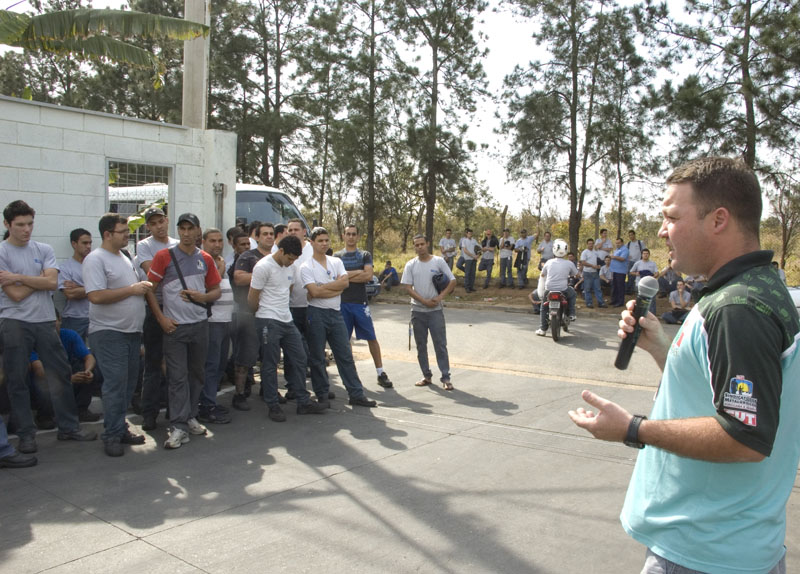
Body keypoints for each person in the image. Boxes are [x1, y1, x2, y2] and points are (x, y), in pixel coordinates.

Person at [568, 156, 800, 574]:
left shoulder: (736, 308)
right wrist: (664, 348)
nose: (662, 230)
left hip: (702, 552)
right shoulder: (758, 288)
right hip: (736, 546)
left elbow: (744, 438)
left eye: (672, 216)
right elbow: (727, 394)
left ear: (719, 220)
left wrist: (632, 429)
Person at [0, 200, 97, 454]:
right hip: (14, 321)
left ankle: (69, 427)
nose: (26, 229)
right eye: (20, 225)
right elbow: (15, 296)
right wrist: (39, 279)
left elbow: (52, 283)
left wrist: (19, 277)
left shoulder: (43, 249)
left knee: (60, 373)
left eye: (30, 224)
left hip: (44, 321)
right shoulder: (1, 252)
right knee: (17, 379)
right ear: (7, 224)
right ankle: (26, 434)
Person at [146, 213, 221, 450]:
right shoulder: (163, 256)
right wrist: (161, 319)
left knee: (197, 374)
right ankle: (178, 425)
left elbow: (216, 290)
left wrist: (203, 297)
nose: (186, 233)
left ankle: (189, 415)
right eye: (182, 228)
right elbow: (149, 290)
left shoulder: (206, 258)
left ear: (198, 231)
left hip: (199, 325)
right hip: (175, 327)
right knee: (177, 377)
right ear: (178, 230)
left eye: (191, 228)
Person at [83, 213, 150, 457]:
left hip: (131, 332)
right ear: (108, 234)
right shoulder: (96, 259)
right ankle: (111, 434)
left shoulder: (124, 257)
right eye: (123, 232)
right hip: (109, 333)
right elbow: (96, 296)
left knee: (128, 384)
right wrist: (132, 289)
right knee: (115, 385)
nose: (127, 236)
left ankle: (119, 428)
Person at [248, 235, 328, 421]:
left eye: (295, 259)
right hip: (267, 319)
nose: (292, 262)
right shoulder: (263, 267)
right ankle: (273, 404)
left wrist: (283, 311)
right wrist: (261, 316)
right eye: (290, 258)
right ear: (281, 251)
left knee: (300, 357)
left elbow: (289, 289)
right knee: (270, 363)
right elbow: (252, 298)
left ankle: (303, 401)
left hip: (286, 319)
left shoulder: (291, 267)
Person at [300, 227, 376, 408]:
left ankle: (356, 394)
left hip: (336, 314)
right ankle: (322, 393)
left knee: (345, 355)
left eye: (326, 240)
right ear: (312, 243)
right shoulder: (306, 267)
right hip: (316, 314)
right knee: (318, 357)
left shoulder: (336, 262)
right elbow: (313, 293)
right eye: (320, 241)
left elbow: (344, 284)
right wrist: (332, 288)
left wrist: (324, 288)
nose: (324, 244)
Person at [334, 224, 393, 389]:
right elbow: (337, 278)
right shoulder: (337, 257)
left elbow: (368, 276)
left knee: (372, 338)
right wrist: (356, 273)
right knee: (345, 343)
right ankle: (352, 376)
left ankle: (381, 373)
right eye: (348, 234)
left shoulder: (365, 254)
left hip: (360, 303)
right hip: (342, 304)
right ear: (343, 236)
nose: (351, 237)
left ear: (358, 236)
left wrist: (346, 275)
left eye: (354, 234)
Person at [136, 206, 178, 432]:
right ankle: (149, 413)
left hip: (177, 307)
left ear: (167, 220)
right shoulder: (144, 246)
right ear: (148, 226)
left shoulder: (177, 243)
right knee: (153, 364)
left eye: (161, 221)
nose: (158, 226)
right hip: (154, 306)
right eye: (153, 223)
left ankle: (176, 410)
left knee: (176, 363)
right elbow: (153, 274)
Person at [401, 234, 456, 390]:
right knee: (421, 345)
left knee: (440, 344)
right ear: (414, 246)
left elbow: (452, 281)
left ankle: (446, 378)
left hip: (436, 311)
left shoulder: (438, 261)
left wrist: (439, 298)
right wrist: (423, 301)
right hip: (418, 311)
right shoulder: (410, 265)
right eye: (416, 245)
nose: (420, 247)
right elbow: (407, 287)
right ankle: (426, 375)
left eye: (422, 244)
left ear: (428, 243)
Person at [231, 222, 274, 410]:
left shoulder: (277, 258)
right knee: (245, 358)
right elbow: (238, 278)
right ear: (256, 237)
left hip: (271, 314)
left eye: (272, 234)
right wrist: (264, 275)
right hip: (249, 314)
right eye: (264, 234)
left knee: (270, 357)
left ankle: (269, 391)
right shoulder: (248, 256)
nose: (269, 237)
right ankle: (239, 395)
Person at [199, 228, 233, 425]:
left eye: (220, 240)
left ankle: (210, 400)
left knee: (220, 364)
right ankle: (206, 406)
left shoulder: (220, 261)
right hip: (212, 322)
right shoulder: (203, 262)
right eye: (212, 241)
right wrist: (219, 270)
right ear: (204, 242)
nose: (217, 244)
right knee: (211, 365)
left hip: (225, 320)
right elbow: (208, 287)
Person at [535, 239, 577, 336]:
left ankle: (543, 329)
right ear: (565, 251)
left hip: (549, 289)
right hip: (563, 289)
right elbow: (575, 274)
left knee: (543, 307)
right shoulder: (569, 263)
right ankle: (571, 314)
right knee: (573, 294)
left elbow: (542, 275)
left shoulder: (549, 262)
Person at [58, 228, 92, 340]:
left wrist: (79, 287)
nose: (88, 246)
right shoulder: (65, 267)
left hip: (95, 317)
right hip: (73, 318)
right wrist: (95, 288)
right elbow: (70, 294)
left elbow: (107, 289)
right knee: (73, 354)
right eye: (84, 243)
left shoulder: (95, 266)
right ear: (74, 244)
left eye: (90, 243)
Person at [579, 238, 605, 308]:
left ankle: (601, 303)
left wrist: (599, 265)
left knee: (598, 288)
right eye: (589, 244)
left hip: (595, 273)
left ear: (593, 244)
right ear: (587, 244)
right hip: (587, 273)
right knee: (587, 289)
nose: (591, 245)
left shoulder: (595, 252)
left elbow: (598, 260)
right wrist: (592, 265)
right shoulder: (585, 252)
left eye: (592, 243)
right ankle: (589, 303)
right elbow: (583, 262)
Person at [609, 237, 629, 307]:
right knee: (614, 286)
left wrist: (613, 257)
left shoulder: (625, 250)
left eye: (619, 243)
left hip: (621, 271)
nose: (617, 244)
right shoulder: (617, 250)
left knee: (620, 287)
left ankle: (620, 301)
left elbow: (622, 259)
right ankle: (614, 300)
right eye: (616, 243)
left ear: (622, 243)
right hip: (614, 270)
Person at [625, 229, 646, 294]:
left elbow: (644, 251)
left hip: (638, 261)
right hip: (630, 262)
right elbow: (625, 252)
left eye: (631, 235)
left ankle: (638, 289)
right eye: (629, 235)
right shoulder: (628, 244)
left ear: (634, 235)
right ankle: (630, 290)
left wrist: (643, 259)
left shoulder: (640, 243)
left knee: (638, 275)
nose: (631, 236)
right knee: (630, 275)